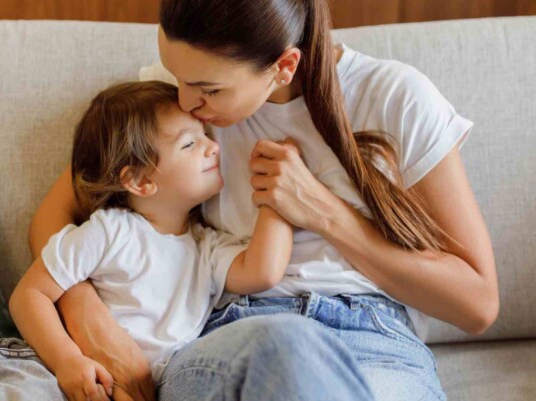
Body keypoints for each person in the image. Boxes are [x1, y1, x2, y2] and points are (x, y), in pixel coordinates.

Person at [30, 0, 500, 400]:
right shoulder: (176, 111)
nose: (187, 101)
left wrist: (325, 213)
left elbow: (476, 303)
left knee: (300, 360)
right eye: (178, 76)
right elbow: (57, 215)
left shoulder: (396, 98)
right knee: (283, 348)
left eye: (210, 90)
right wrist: (86, 313)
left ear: (283, 67)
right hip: (229, 339)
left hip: (373, 340)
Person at [0, 81, 297, 401]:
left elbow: (262, 271)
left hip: (139, 388)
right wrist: (67, 362)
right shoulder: (110, 231)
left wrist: (277, 194)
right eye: (190, 143)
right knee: (15, 381)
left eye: (206, 136)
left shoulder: (205, 248)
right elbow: (29, 295)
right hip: (55, 367)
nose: (214, 147)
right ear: (139, 180)